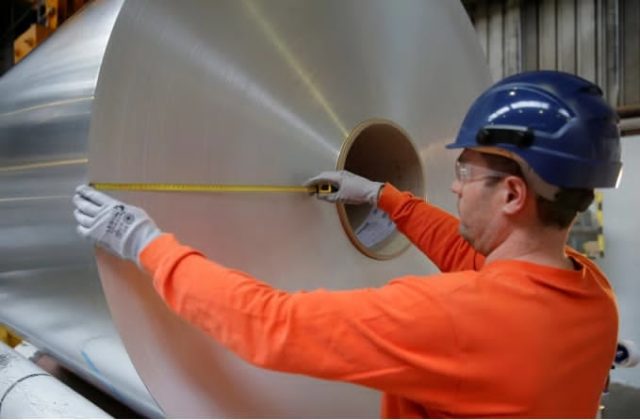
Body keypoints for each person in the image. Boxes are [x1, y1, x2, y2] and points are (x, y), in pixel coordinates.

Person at [72, 71, 622, 418]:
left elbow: (271, 326)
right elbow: (480, 261)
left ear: (511, 195)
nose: (455, 187)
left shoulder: (453, 318)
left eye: (465, 172)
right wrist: (383, 196)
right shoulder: (594, 297)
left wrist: (146, 244)